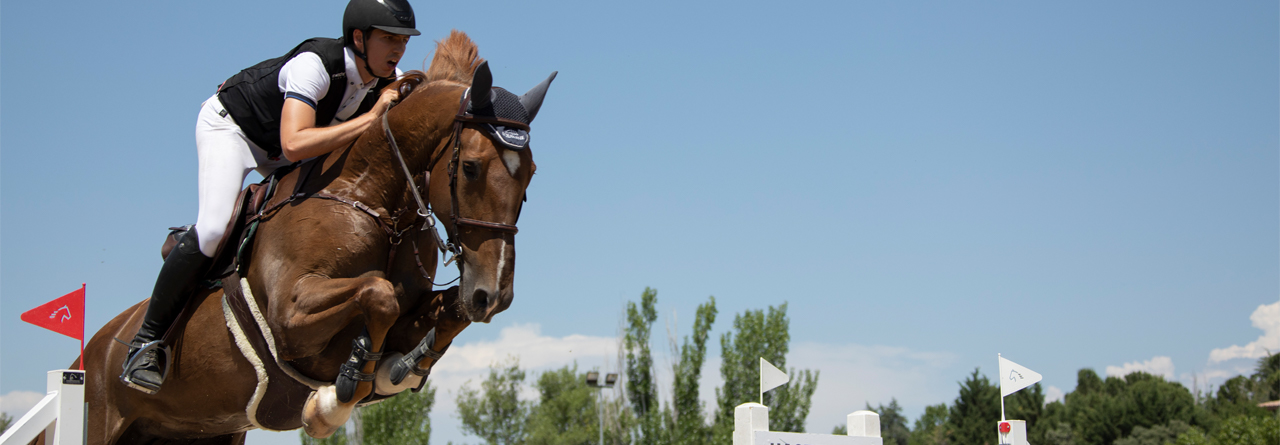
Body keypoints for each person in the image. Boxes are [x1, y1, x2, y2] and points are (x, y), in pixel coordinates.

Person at [120, 0, 421, 394]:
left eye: (403, 40)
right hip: (236, 131)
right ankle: (146, 342)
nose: (398, 49)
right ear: (359, 38)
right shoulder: (314, 64)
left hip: (287, 149)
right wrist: (373, 116)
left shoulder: (391, 80)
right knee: (213, 228)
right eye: (388, 39)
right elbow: (295, 144)